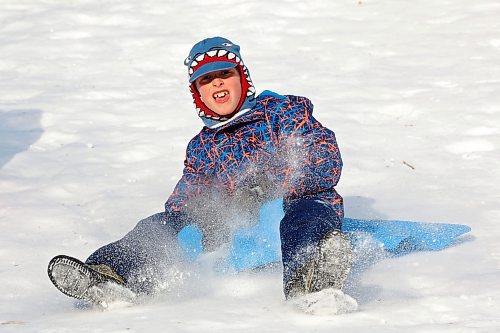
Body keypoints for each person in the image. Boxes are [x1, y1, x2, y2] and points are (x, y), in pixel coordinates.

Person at [47, 37, 353, 304]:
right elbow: (186, 196)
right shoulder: (201, 146)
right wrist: (207, 212)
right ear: (199, 95)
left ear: (242, 79)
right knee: (160, 225)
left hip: (295, 203)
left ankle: (311, 280)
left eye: (224, 74)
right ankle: (108, 276)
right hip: (239, 223)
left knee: (305, 217)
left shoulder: (282, 113)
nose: (217, 83)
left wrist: (275, 183)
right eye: (206, 80)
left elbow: (322, 157)